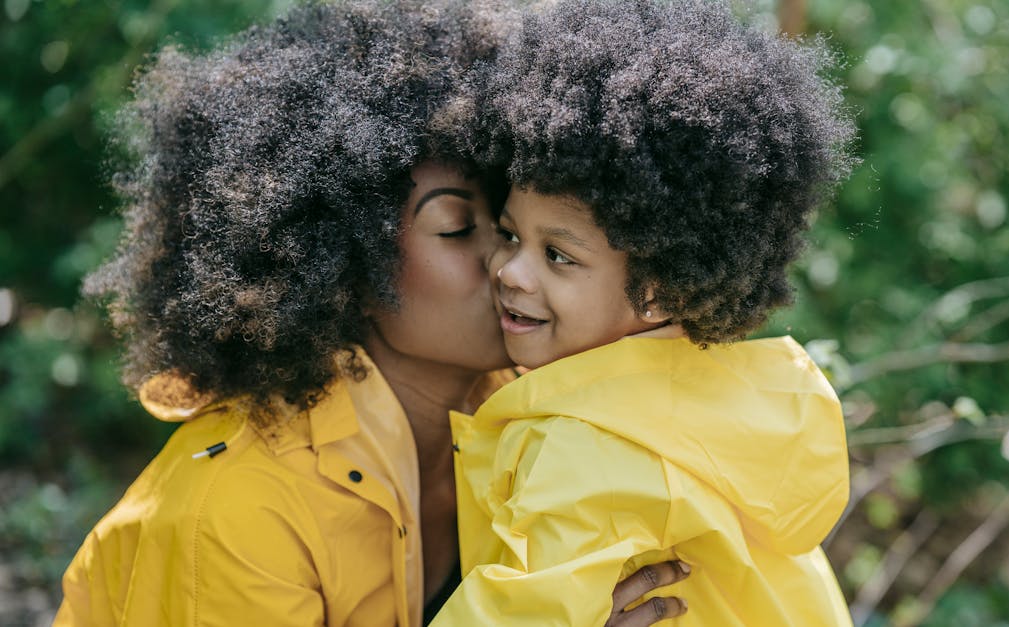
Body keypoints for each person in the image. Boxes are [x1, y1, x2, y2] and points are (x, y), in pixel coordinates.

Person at [54, 1, 686, 625]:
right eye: (460, 228)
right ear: (337, 262)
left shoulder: (537, 420)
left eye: (512, 225)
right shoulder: (236, 509)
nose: (509, 265)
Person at [430, 0, 857, 624]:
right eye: (510, 234)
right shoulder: (726, 399)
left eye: (558, 255)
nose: (510, 271)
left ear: (659, 287)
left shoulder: (593, 451)